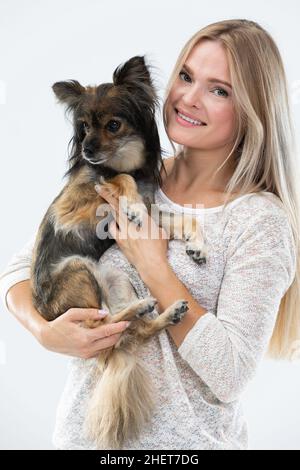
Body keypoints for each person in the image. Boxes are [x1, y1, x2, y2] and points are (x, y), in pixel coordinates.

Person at [1, 19, 299, 450]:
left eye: (219, 90)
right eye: (186, 76)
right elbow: (19, 269)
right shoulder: (126, 173)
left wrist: (153, 264)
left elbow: (231, 374)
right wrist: (43, 331)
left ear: (253, 108)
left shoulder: (258, 222)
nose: (189, 99)